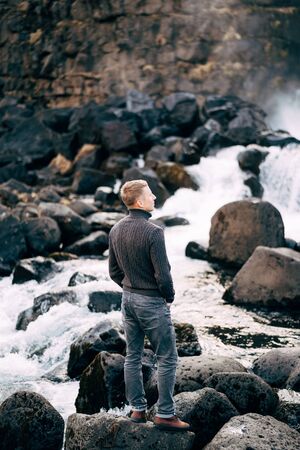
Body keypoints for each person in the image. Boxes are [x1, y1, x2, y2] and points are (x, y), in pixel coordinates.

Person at [108, 179, 190, 431]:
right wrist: (169, 296)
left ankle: (137, 410)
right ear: (140, 202)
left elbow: (113, 271)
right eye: (151, 194)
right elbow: (163, 275)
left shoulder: (115, 230)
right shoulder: (154, 232)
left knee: (132, 355)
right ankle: (165, 413)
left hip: (128, 298)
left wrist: (130, 287)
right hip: (151, 301)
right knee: (167, 357)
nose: (155, 196)